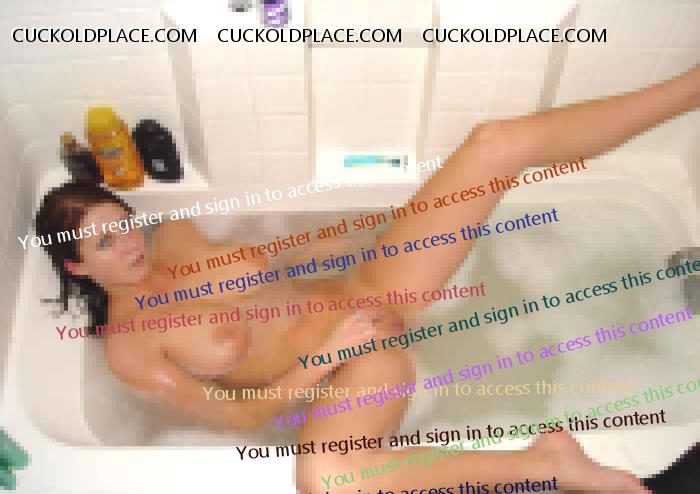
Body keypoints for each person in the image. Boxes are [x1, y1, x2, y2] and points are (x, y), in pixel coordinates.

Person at [35, 64, 700, 494]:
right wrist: (330, 353)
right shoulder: (131, 349)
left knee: (494, 144)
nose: (128, 243)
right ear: (76, 265)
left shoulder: (177, 236)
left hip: (371, 290)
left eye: (123, 223)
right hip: (354, 366)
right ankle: (548, 463)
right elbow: (239, 414)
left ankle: (688, 87)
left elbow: (281, 258)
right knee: (326, 478)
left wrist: (366, 233)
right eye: (103, 242)